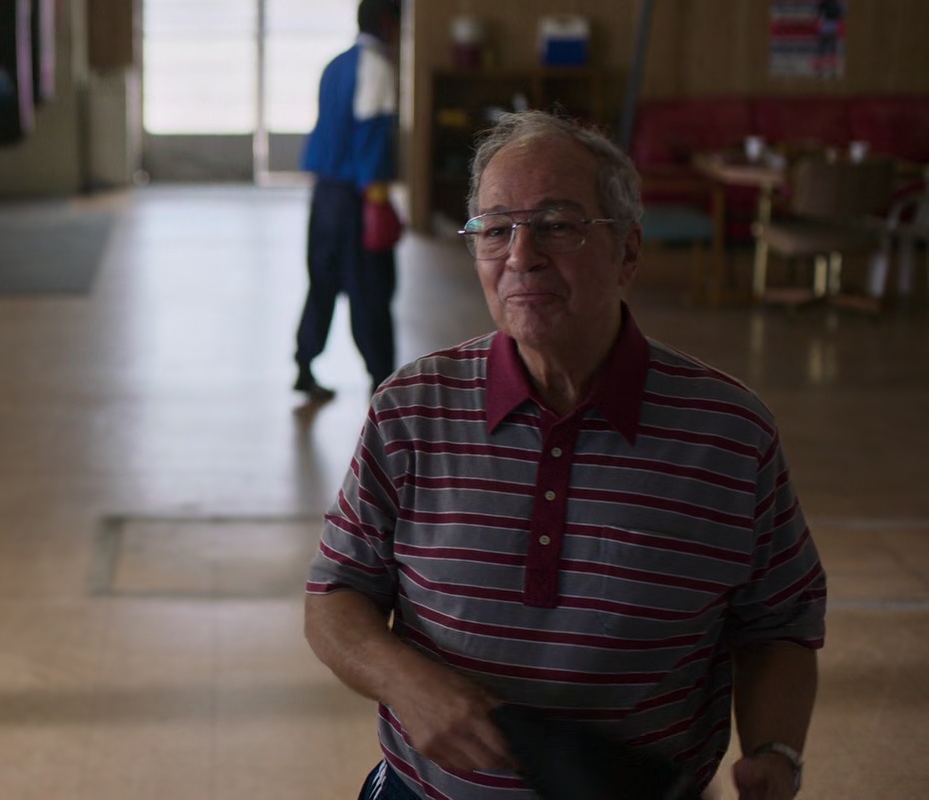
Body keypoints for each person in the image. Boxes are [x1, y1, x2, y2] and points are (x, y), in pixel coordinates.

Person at [303, 111, 825, 800]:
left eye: (557, 224)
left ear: (627, 252)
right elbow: (335, 595)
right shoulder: (412, 410)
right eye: (495, 229)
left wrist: (775, 752)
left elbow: (779, 625)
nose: (521, 256)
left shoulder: (729, 434)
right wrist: (406, 682)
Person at [295, 0, 402, 399]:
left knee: (321, 282)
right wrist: (379, 201)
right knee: (371, 289)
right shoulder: (377, 67)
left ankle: (304, 365)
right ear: (388, 22)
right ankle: (383, 382)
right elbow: (371, 139)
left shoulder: (334, 65)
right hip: (358, 198)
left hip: (324, 193)